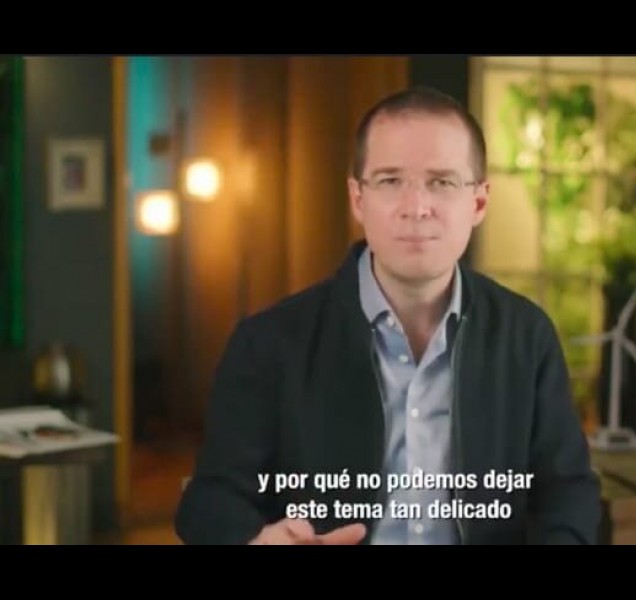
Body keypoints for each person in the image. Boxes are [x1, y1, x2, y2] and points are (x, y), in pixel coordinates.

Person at [174, 85, 602, 545]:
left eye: (442, 182)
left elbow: (568, 494)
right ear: (358, 199)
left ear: (478, 202)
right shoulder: (268, 343)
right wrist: (255, 539)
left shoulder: (527, 336)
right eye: (390, 181)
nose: (416, 208)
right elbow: (210, 500)